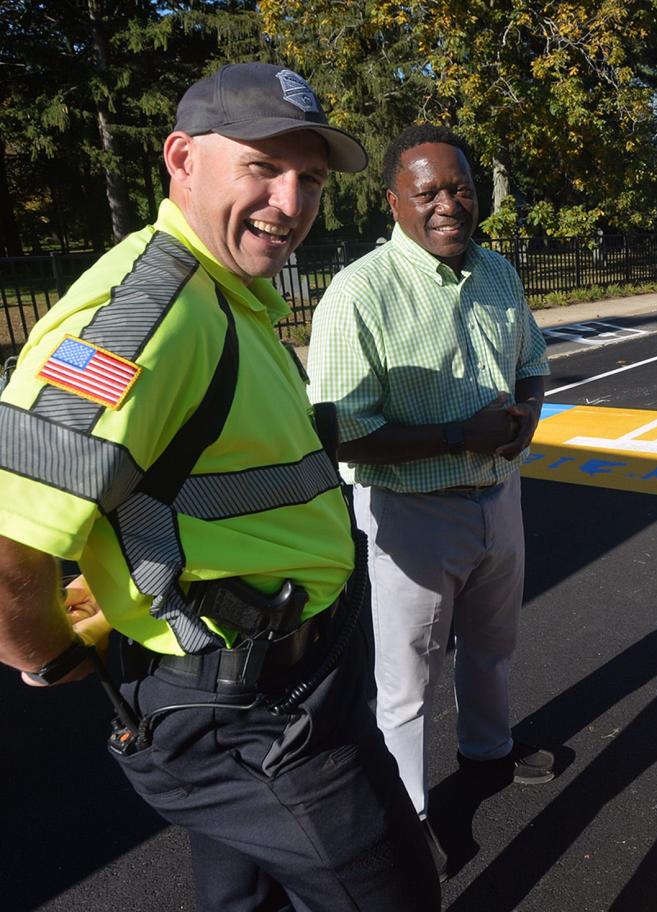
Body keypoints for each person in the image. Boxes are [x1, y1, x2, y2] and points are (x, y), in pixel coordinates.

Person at [0, 63, 440, 911]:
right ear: (181, 159)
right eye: (261, 167)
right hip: (250, 718)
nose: (289, 200)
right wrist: (53, 654)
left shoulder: (224, 292)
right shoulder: (148, 317)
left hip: (289, 683)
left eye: (308, 179)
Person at [307, 125, 554, 849]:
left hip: (498, 499)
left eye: (462, 188)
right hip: (410, 514)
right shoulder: (358, 295)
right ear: (394, 201)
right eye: (429, 192)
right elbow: (343, 432)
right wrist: (459, 436)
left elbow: (531, 360)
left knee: (492, 645)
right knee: (406, 684)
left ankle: (486, 753)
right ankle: (408, 823)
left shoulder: (498, 273)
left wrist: (528, 416)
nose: (449, 204)